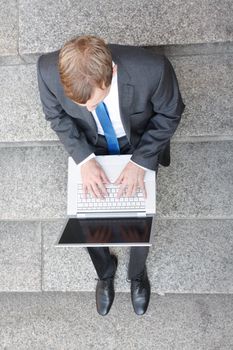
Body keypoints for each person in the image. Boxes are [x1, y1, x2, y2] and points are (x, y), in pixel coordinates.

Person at [37, 35, 185, 316]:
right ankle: (105, 271)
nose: (88, 110)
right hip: (91, 146)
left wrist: (140, 163)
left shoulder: (153, 70)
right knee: (86, 216)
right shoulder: (47, 69)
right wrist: (83, 158)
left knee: (141, 215)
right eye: (80, 104)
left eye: (94, 101)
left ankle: (137, 274)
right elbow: (55, 116)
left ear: (112, 72)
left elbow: (170, 114)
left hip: (137, 143)